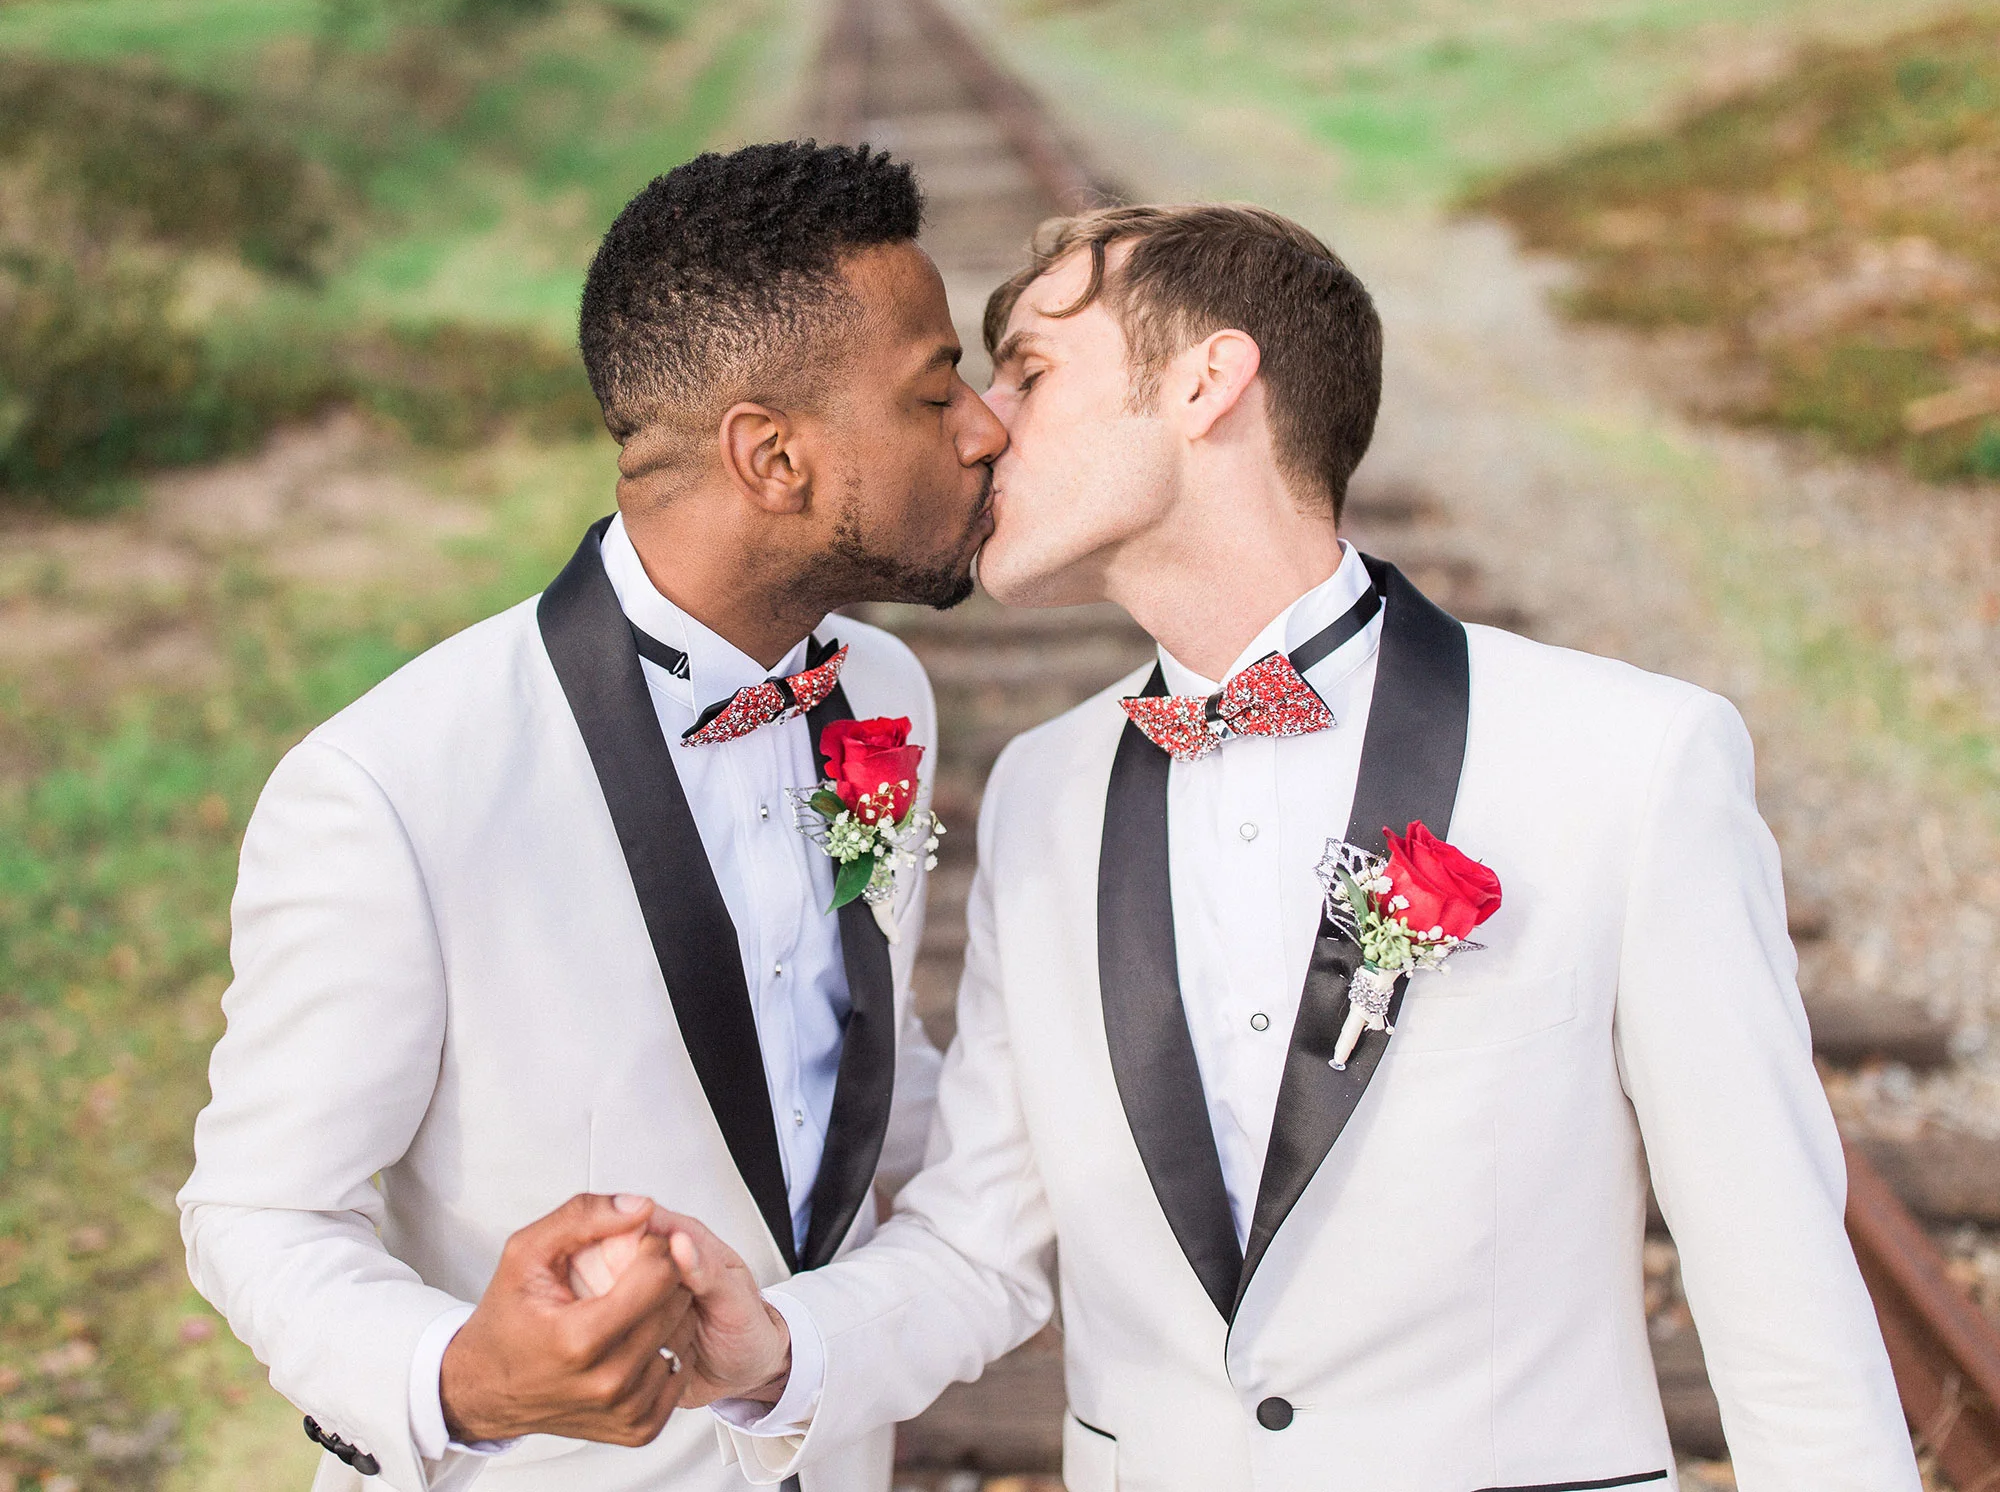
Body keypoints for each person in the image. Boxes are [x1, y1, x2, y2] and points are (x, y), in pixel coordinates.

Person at [660, 203, 1922, 1491]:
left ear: (1209, 381)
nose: (982, 429)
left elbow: (1781, 1296)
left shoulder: (1632, 763)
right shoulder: (1045, 795)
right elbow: (982, 1240)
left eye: (1030, 371)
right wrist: (776, 1351)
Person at [177, 141, 1006, 1492]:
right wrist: (464, 1380)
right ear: (774, 456)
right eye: (934, 389)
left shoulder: (883, 693)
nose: (984, 426)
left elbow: (853, 1066)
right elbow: (260, 1212)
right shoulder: (390, 787)